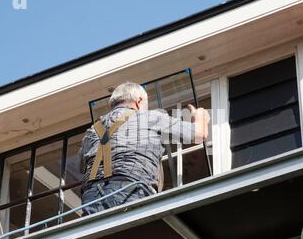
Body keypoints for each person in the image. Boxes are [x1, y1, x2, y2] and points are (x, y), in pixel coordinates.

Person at [79, 81, 210, 214]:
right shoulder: (150, 117)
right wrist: (200, 116)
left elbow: (82, 166)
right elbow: (199, 134)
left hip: (90, 199)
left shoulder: (92, 131)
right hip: (130, 192)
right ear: (138, 101)